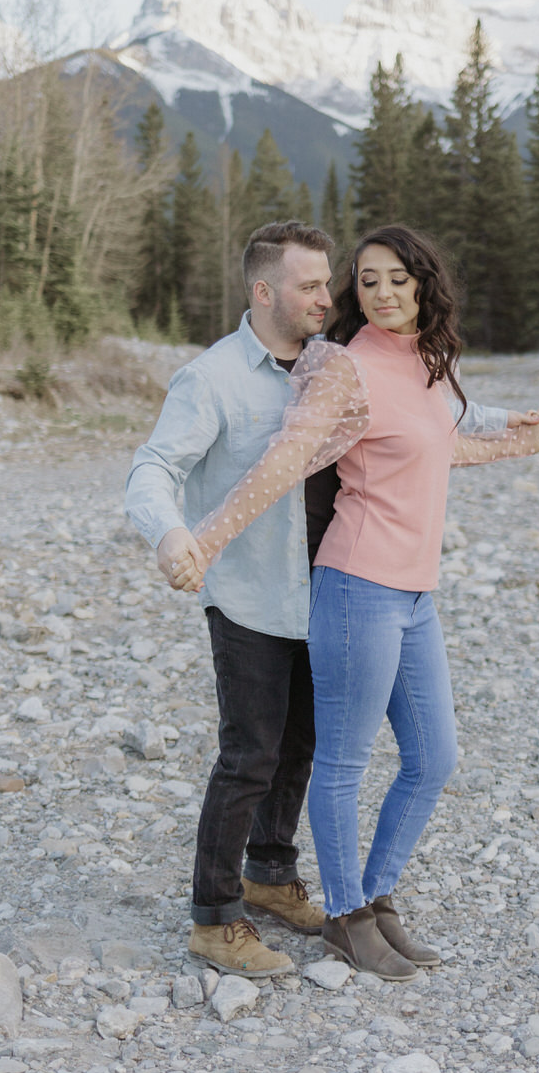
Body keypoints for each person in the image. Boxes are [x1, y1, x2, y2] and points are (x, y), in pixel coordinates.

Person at [124, 220, 516, 978]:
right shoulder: (215, 378)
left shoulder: (329, 361)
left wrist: (507, 431)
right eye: (317, 284)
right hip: (253, 593)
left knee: (303, 748)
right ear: (263, 291)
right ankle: (214, 915)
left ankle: (272, 876)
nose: (332, 294)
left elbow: (425, 428)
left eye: (335, 280)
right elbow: (159, 467)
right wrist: (180, 537)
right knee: (251, 755)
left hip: (325, 591)